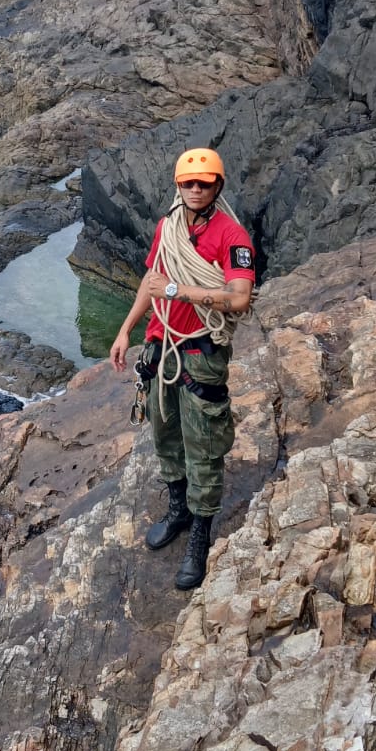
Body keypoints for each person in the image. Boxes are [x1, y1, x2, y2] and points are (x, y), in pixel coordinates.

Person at [110, 147, 255, 591]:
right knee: (165, 433)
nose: (195, 190)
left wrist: (180, 289)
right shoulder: (167, 227)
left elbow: (238, 299)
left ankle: (200, 535)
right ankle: (178, 508)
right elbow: (152, 280)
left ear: (218, 187)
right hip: (161, 345)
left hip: (199, 353)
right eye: (189, 183)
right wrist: (126, 329)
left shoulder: (233, 238)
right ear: (178, 185)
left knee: (204, 444)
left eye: (204, 183)